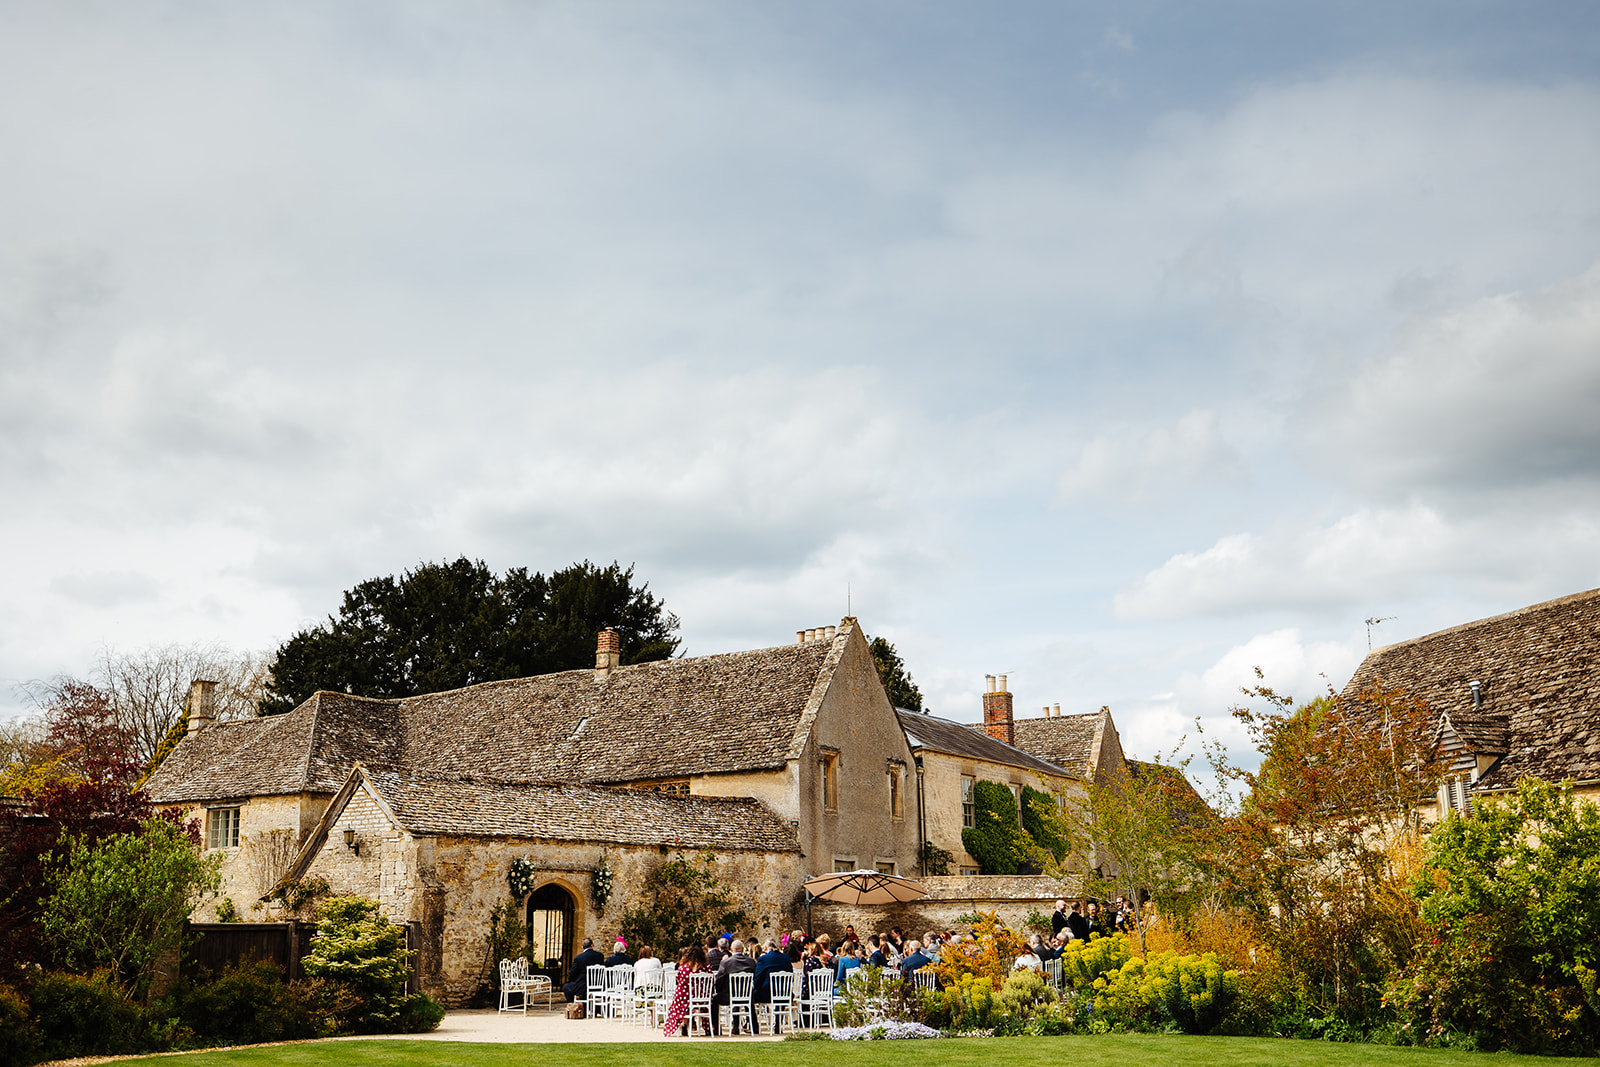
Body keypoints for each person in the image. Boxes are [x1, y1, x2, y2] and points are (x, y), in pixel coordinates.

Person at [712, 938, 758, 1034]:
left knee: (714, 999)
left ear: (731, 950)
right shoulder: (751, 962)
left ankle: (716, 1027)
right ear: (742, 950)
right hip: (747, 995)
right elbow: (754, 976)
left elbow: (719, 979)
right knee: (749, 998)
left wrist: (719, 990)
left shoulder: (726, 963)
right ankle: (754, 1025)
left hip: (729, 996)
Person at [662, 944, 709, 1037]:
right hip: (701, 997)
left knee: (684, 1000)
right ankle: (707, 1027)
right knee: (690, 1000)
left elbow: (678, 979)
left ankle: (684, 1024)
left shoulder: (684, 967)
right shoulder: (706, 967)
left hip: (685, 996)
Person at [752, 938, 793, 1033]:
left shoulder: (763, 959)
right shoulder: (786, 958)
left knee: (749, 996)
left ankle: (754, 1025)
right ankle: (778, 1023)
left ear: (766, 947)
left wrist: (755, 988)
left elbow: (758, 978)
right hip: (785, 994)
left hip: (767, 994)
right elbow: (790, 974)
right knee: (781, 992)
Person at [563, 937, 604, 1003]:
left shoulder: (579, 958)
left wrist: (571, 981)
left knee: (566, 987)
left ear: (582, 947)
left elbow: (572, 973)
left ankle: (572, 1005)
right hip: (598, 986)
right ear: (592, 945)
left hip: (583, 986)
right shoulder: (600, 956)